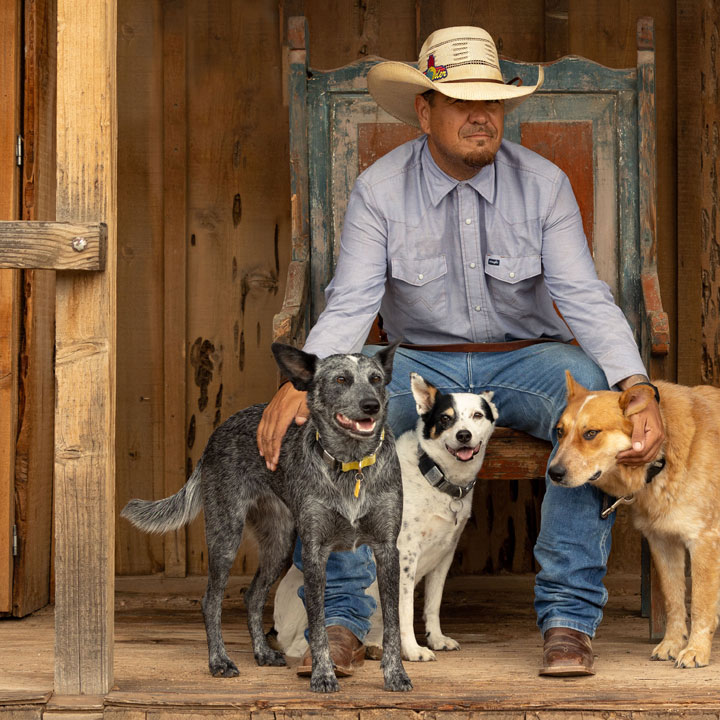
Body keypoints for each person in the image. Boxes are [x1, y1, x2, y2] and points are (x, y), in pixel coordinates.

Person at [256, 25, 664, 678]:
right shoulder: (380, 190)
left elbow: (585, 297)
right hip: (419, 362)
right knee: (331, 410)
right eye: (461, 101)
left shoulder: (544, 185)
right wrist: (307, 383)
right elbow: (352, 302)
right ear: (424, 110)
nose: (481, 116)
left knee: (594, 398)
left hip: (522, 360)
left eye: (492, 102)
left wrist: (636, 388)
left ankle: (567, 620)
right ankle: (342, 621)